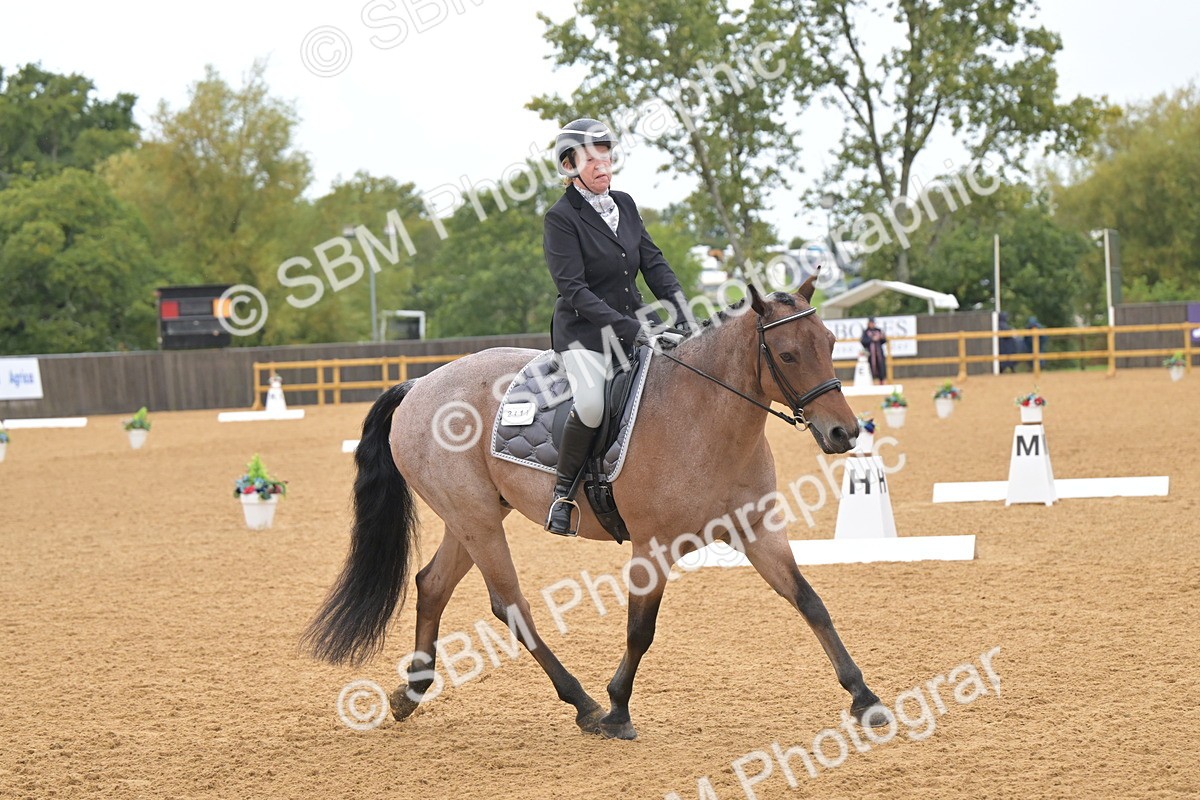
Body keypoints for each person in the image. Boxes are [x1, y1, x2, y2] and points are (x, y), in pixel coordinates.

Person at [542, 117, 692, 536]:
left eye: (605, 154)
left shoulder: (624, 203)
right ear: (569, 165)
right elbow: (573, 289)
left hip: (634, 325)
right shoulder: (560, 218)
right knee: (591, 405)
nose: (601, 163)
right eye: (590, 157)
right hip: (584, 333)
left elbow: (653, 262)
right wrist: (629, 327)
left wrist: (682, 310)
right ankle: (563, 493)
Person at [860, 318, 888, 384]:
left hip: (879, 353)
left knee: (881, 367)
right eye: (870, 323)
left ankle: (881, 381)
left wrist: (881, 338)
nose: (872, 324)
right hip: (870, 354)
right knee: (870, 367)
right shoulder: (866, 332)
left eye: (873, 323)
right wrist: (872, 339)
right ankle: (870, 382)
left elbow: (884, 340)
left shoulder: (878, 330)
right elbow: (863, 341)